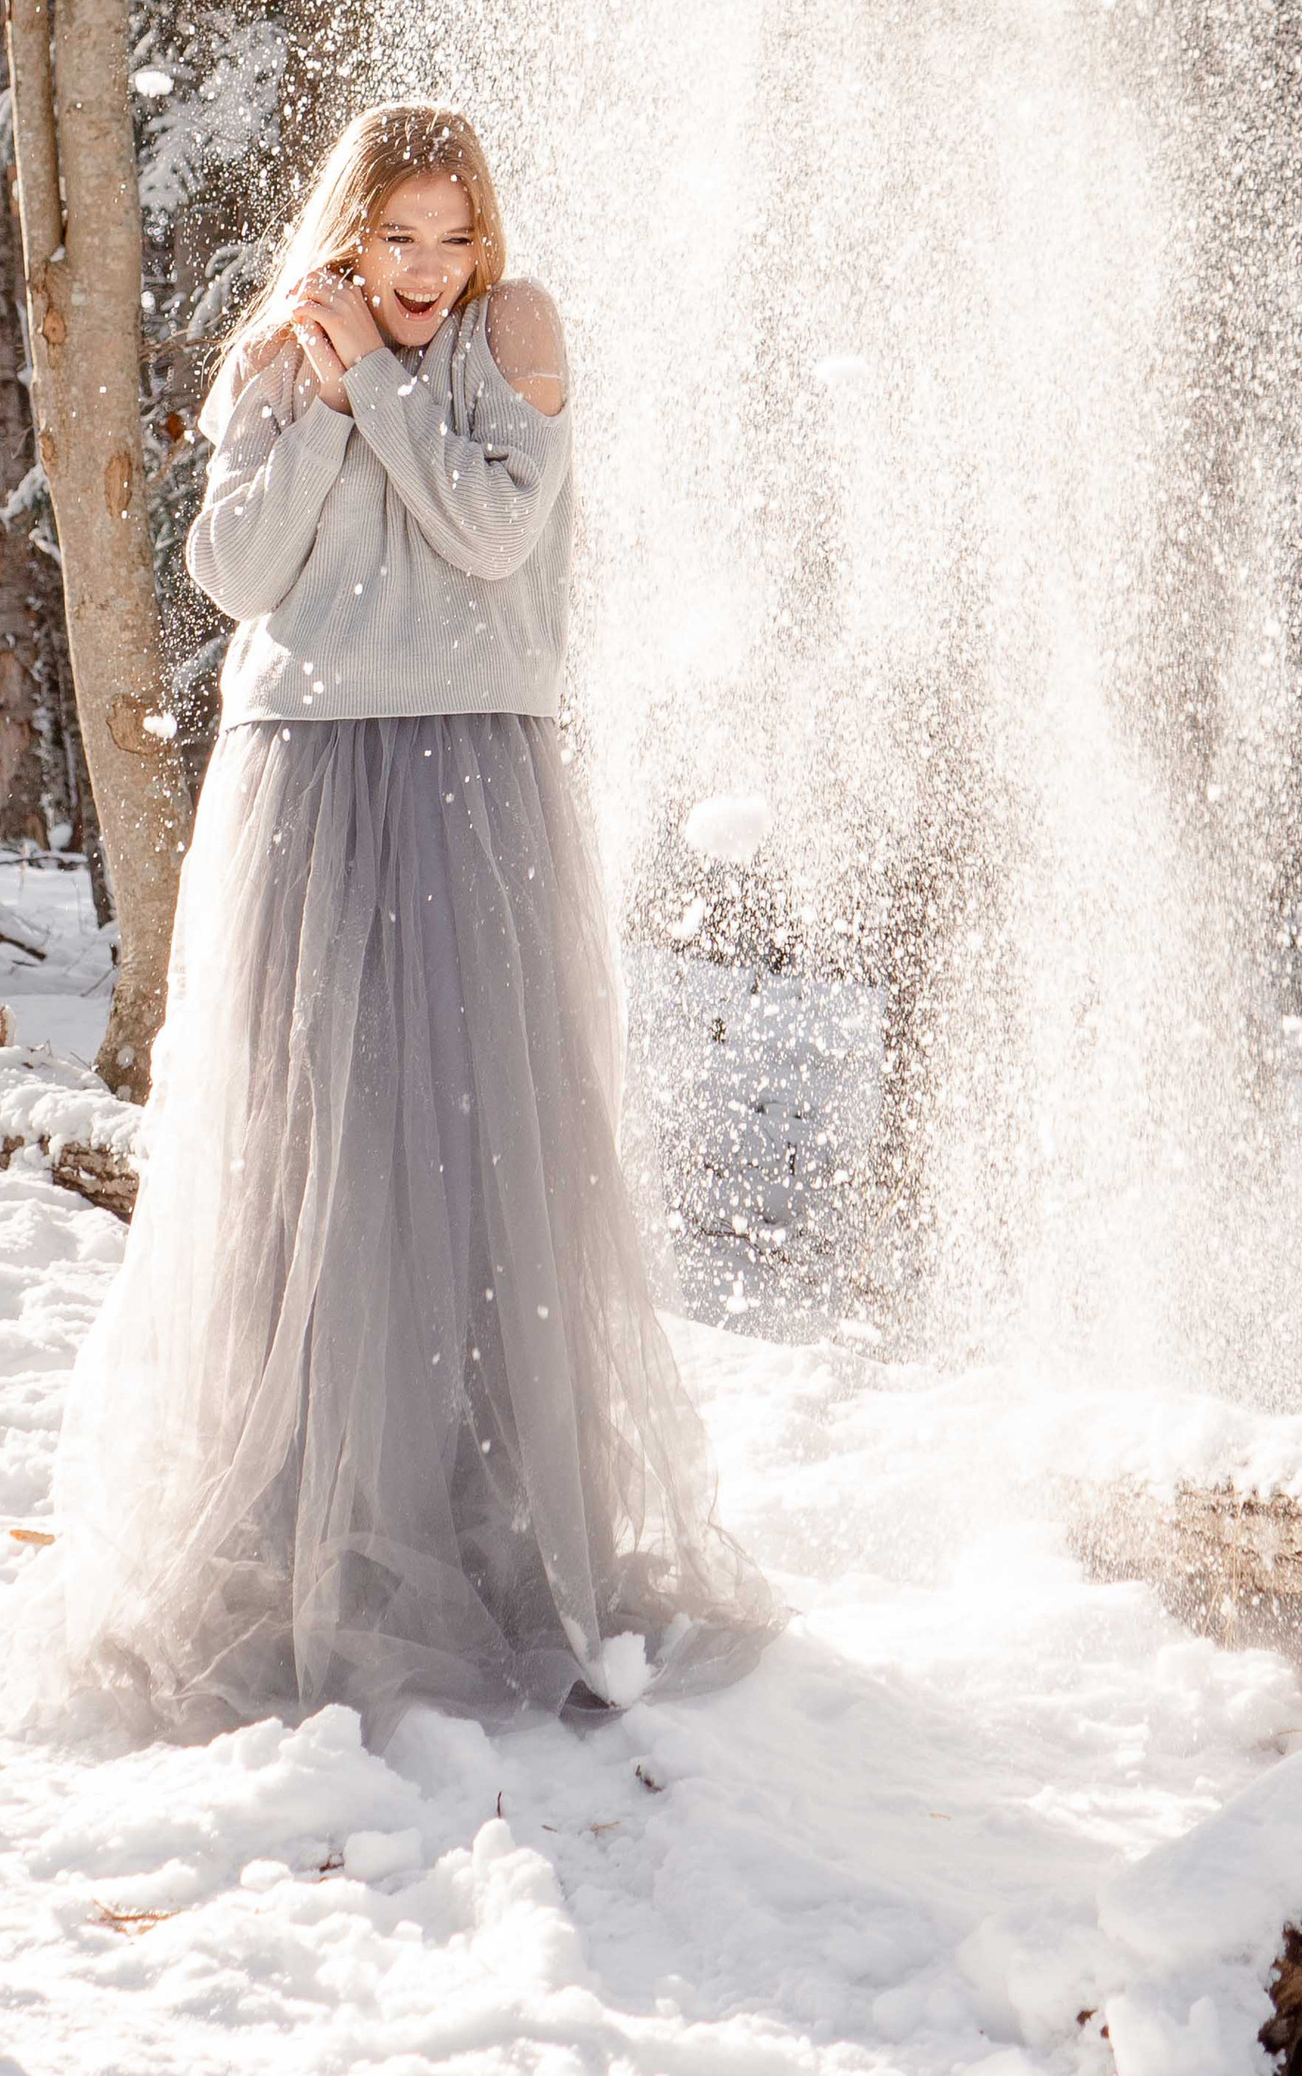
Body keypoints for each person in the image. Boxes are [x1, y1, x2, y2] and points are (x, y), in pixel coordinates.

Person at [46, 101, 776, 1737]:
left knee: (472, 1149)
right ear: (351, 233)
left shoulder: (513, 338)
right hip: (307, 780)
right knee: (319, 1150)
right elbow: (236, 571)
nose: (427, 267)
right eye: (397, 239)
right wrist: (308, 394)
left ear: (484, 238)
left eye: (452, 236)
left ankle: (479, 1523)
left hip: (474, 778)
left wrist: (370, 381)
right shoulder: (276, 353)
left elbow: (491, 527)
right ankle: (308, 1527)